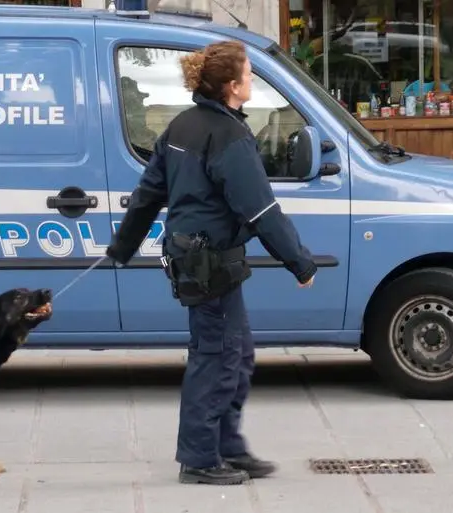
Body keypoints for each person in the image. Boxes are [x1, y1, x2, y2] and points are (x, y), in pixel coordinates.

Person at [105, 40, 317, 486]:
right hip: (209, 263)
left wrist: (122, 247)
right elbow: (261, 211)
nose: (252, 78)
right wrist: (300, 262)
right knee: (217, 357)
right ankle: (200, 458)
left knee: (235, 355)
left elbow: (147, 195)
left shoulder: (182, 126)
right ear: (231, 85)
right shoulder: (228, 136)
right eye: (248, 72)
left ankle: (228, 448)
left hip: (201, 259)